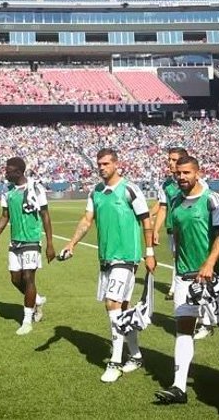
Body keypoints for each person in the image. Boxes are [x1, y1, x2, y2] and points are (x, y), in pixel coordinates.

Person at [60, 148, 156, 383]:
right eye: (99, 164)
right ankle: (135, 355)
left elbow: (146, 221)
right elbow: (87, 220)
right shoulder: (96, 192)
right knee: (122, 308)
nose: (102, 168)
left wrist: (149, 252)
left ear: (116, 164)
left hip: (126, 257)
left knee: (112, 303)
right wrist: (72, 243)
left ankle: (115, 362)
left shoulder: (130, 189)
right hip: (105, 258)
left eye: (105, 164)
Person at [154, 155, 219, 405]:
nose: (181, 177)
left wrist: (209, 263)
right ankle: (179, 387)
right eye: (178, 173)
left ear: (197, 173)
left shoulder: (212, 199)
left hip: (214, 276)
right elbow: (178, 235)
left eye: (186, 172)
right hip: (185, 276)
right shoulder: (175, 201)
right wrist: (179, 265)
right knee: (184, 328)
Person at [0, 157, 55, 335]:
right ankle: (37, 300)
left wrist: (49, 244)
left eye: (8, 171)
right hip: (15, 242)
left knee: (29, 277)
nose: (5, 174)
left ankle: (27, 321)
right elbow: (4, 216)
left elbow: (45, 215)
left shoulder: (36, 188)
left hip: (32, 240)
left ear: (18, 172)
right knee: (16, 279)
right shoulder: (7, 191)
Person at [151, 148, 187, 304]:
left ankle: (177, 288)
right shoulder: (166, 184)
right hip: (172, 228)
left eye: (174, 160)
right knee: (176, 258)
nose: (170, 163)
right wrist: (155, 230)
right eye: (169, 159)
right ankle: (177, 287)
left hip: (190, 228)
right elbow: (163, 207)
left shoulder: (194, 181)